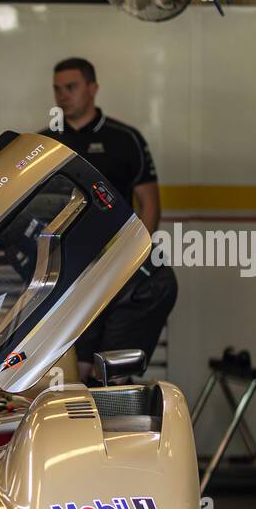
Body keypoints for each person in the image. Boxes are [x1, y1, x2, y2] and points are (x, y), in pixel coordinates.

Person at [42, 57, 176, 381]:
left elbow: (149, 204)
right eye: (57, 89)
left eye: (71, 87)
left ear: (93, 88)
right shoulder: (44, 144)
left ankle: (113, 415)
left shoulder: (124, 138)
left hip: (119, 266)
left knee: (111, 371)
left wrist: (129, 258)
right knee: (80, 367)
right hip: (70, 272)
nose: (63, 96)